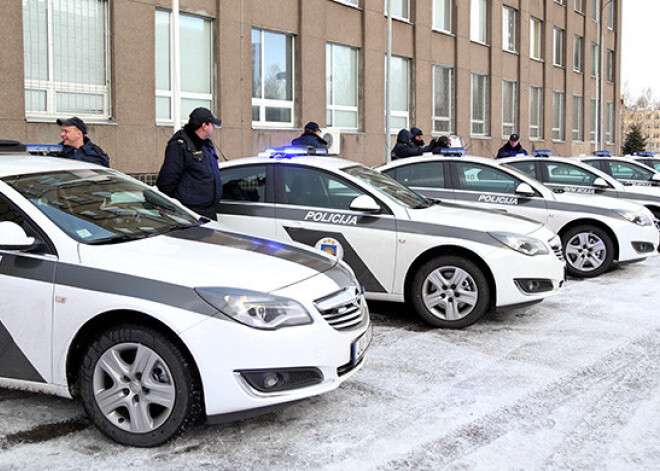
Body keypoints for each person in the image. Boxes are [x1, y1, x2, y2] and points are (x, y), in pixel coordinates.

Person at [156, 107, 223, 220]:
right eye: (212, 124)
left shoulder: (206, 145)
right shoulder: (180, 146)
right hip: (190, 214)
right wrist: (165, 206)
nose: (213, 127)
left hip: (208, 213)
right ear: (204, 125)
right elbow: (167, 180)